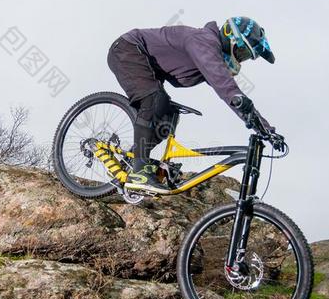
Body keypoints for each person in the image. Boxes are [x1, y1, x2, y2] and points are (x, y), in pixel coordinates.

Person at [107, 17, 283, 193]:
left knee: (166, 120)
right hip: (127, 49)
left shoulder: (210, 52)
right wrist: (241, 102)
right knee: (154, 100)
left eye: (245, 57)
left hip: (148, 65)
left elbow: (225, 87)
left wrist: (266, 130)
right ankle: (140, 170)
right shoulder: (204, 42)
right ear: (232, 37)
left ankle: (131, 161)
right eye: (243, 52)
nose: (241, 59)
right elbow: (226, 86)